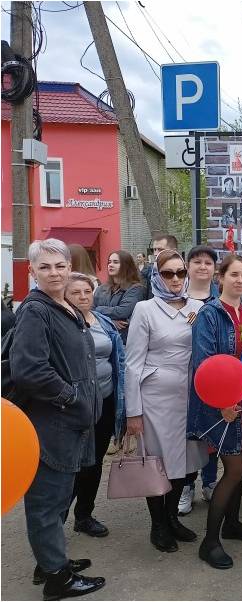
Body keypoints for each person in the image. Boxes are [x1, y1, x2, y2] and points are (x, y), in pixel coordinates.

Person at [11, 239, 105, 599]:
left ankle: (51, 560)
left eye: (60, 266)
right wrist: (70, 396)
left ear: (70, 267)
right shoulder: (36, 311)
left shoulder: (63, 305)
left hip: (71, 424)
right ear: (32, 271)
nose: (54, 273)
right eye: (45, 267)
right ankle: (56, 579)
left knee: (60, 497)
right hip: (51, 424)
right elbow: (29, 369)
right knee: (47, 503)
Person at [125, 251, 208, 554]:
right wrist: (133, 412)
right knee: (157, 462)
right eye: (168, 273)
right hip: (155, 399)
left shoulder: (198, 307)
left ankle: (172, 518)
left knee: (184, 462)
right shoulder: (145, 309)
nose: (175, 279)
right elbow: (132, 363)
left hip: (190, 396)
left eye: (180, 273)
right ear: (156, 276)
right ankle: (158, 524)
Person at [187, 255, 242, 569]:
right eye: (234, 274)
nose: (240, 281)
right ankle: (210, 542)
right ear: (221, 277)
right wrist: (222, 404)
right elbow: (204, 363)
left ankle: (232, 524)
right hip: (222, 406)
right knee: (235, 469)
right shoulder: (209, 314)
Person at [65, 273, 126, 539]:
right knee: (72, 464)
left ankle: (84, 515)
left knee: (95, 460)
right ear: (64, 296)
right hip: (75, 405)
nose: (82, 297)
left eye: (87, 291)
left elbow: (118, 359)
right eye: (75, 292)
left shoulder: (103, 321)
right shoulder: (62, 324)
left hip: (107, 400)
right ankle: (55, 522)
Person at [178, 246, 220, 516]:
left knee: (211, 429)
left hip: (213, 376)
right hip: (181, 377)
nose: (203, 266)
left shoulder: (218, 301)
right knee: (189, 434)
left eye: (208, 262)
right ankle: (186, 485)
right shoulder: (176, 299)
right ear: (188, 266)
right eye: (197, 262)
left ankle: (210, 481)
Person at [93, 250, 145, 343]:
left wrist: (99, 309)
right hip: (102, 340)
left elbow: (122, 311)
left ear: (126, 265)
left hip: (124, 341)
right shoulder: (101, 288)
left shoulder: (135, 289)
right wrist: (110, 322)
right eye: (109, 262)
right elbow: (90, 311)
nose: (111, 265)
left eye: (115, 262)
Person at [143, 234, 178, 300]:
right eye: (154, 249)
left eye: (160, 249)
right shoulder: (151, 271)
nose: (155, 253)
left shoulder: (185, 273)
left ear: (173, 251)